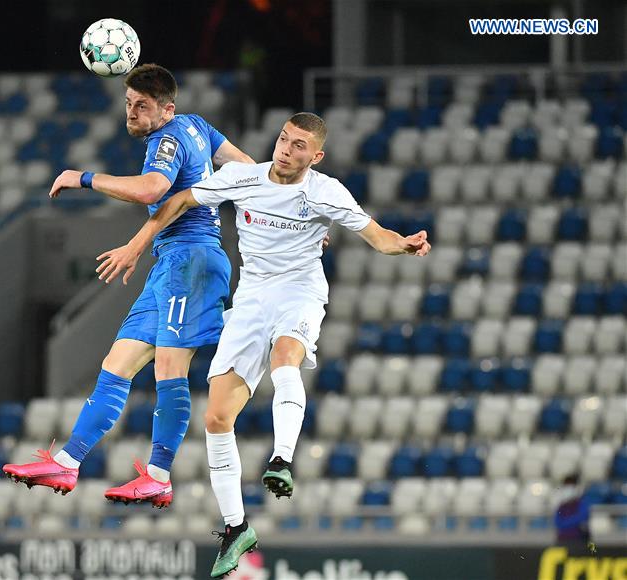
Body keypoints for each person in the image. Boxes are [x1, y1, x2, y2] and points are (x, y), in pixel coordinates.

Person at [96, 112, 431, 577]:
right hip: (251, 295)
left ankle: (281, 459)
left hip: (300, 290)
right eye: (284, 139)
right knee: (216, 416)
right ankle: (236, 528)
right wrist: (140, 241)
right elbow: (183, 199)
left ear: (316, 156)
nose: (287, 150)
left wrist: (406, 245)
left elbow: (378, 236)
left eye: (299, 147)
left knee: (285, 358)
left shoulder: (325, 191)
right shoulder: (242, 178)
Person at [3, 64, 254, 508]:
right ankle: (68, 461)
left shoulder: (169, 139)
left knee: (169, 369)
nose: (132, 113)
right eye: (128, 104)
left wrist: (85, 178)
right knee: (117, 363)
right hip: (170, 261)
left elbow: (151, 189)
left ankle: (158, 474)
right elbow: (249, 167)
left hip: (192, 262)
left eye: (142, 106)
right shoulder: (197, 126)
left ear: (166, 109)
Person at [554, 474, 591, 545]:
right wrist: (571, 523)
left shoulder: (582, 503)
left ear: (576, 488)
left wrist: (565, 523)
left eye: (571, 487)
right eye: (566, 487)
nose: (568, 490)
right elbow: (557, 523)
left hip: (579, 542)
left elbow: (582, 518)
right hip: (562, 541)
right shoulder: (561, 506)